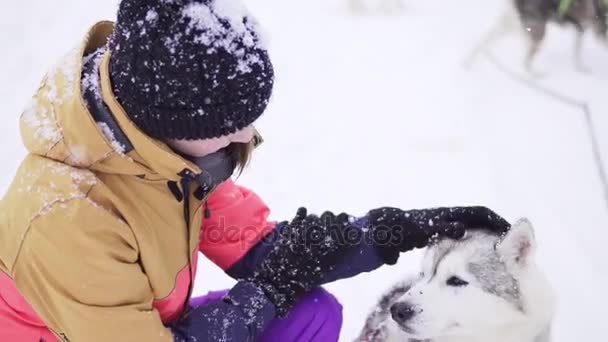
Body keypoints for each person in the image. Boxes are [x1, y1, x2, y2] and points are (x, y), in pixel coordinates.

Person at [0, 0, 510, 341]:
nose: (247, 137)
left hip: (148, 325)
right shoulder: (65, 215)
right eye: (230, 124)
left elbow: (262, 248)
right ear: (171, 116)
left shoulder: (156, 154)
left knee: (313, 313)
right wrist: (265, 293)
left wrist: (392, 229)